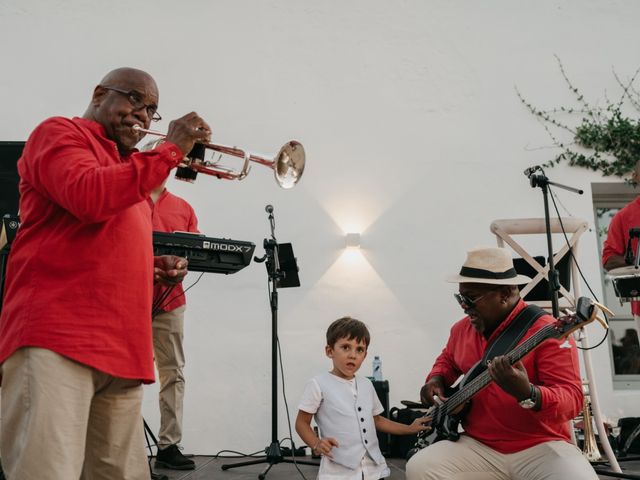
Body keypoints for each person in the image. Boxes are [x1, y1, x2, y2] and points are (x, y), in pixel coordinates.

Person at [0, 67, 211, 479]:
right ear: (99, 94)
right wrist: (169, 150)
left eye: (152, 110)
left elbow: (103, 243)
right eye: (135, 99)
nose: (144, 116)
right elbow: (88, 195)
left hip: (122, 351)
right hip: (56, 340)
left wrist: (153, 266)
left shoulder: (130, 170)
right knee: (48, 471)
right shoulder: (59, 133)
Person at [406, 247, 598, 480]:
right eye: (460, 297)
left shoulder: (548, 332)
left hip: (541, 446)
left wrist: (529, 394)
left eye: (470, 298)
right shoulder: (461, 330)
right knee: (420, 468)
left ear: (505, 294)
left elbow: (572, 400)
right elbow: (447, 360)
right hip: (478, 445)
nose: (464, 306)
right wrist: (435, 380)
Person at [295, 316, 429, 480]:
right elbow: (301, 423)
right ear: (329, 351)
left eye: (359, 350)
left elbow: (377, 420)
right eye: (345, 347)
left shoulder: (366, 384)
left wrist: (409, 429)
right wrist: (316, 443)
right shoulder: (317, 384)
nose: (353, 355)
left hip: (373, 469)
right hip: (338, 472)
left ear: (365, 355)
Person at [148, 179, 199, 470]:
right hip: (130, 297)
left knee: (173, 373)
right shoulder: (128, 200)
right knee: (121, 373)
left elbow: (193, 252)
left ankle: (168, 446)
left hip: (171, 301)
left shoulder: (184, 208)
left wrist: (182, 266)